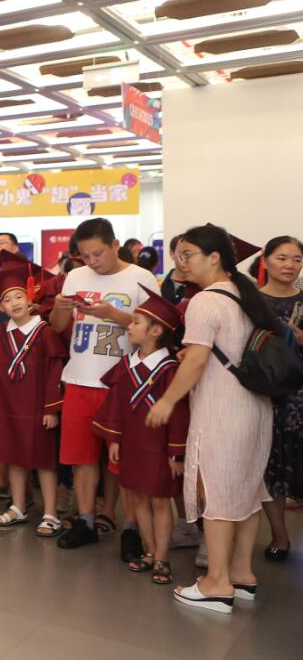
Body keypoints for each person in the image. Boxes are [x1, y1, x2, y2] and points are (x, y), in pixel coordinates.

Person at [146, 224, 277, 614]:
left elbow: (199, 360)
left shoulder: (204, 301)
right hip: (254, 407)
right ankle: (242, 574)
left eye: (187, 255)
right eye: (177, 255)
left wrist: (168, 400)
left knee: (216, 494)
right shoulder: (244, 293)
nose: (180, 262)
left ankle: (217, 583)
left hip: (222, 410)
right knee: (248, 491)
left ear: (214, 257)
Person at [49, 217, 160, 553]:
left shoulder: (141, 278)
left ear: (115, 245)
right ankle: (85, 520)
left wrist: (113, 314)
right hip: (80, 377)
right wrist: (59, 308)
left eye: (98, 253)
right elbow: (58, 326)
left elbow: (154, 330)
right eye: (85, 256)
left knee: (122, 459)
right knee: (81, 456)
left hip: (124, 382)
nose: (92, 261)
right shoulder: (75, 276)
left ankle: (129, 526)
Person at [95, 286, 189, 585]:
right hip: (132, 445)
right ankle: (149, 551)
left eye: (136, 322)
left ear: (156, 330)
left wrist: (176, 453)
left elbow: (180, 413)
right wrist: (113, 439)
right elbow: (115, 406)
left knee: (160, 502)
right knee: (137, 500)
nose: (130, 326)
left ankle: (162, 557)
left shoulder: (171, 370)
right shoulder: (127, 365)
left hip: (159, 448)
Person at [0, 261, 66, 537]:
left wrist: (51, 408)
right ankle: (18, 506)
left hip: (37, 406)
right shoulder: (1, 333)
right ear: (1, 308)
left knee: (43, 460)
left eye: (18, 296)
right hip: (8, 407)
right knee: (13, 456)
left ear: (30, 298)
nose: (14, 303)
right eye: (7, 300)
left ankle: (50, 513)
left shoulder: (45, 331)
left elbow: (55, 371)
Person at [253, 236, 303, 562]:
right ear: (265, 260)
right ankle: (279, 535)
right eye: (282, 258)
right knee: (271, 467)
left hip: (301, 393)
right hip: (267, 393)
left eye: (296, 259)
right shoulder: (253, 302)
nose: (289, 265)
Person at [161, 235, 189, 305]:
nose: (186, 257)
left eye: (189, 253)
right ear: (172, 254)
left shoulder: (200, 283)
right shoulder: (160, 282)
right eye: (182, 253)